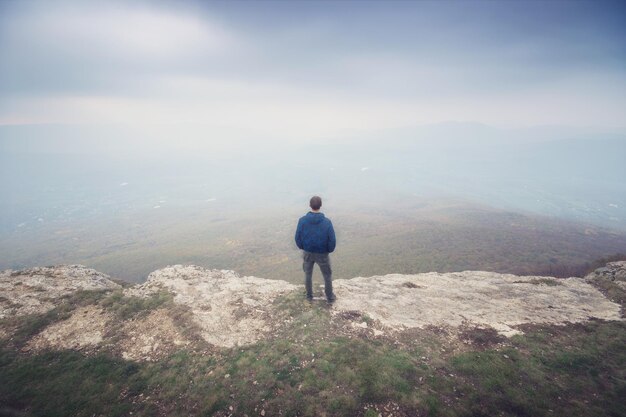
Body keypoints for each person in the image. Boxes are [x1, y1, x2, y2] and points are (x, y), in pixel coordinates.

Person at [295, 195, 337, 303]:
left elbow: (297, 237)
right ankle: (330, 297)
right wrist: (328, 250)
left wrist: (303, 247)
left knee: (308, 274)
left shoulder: (302, 221)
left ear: (310, 205)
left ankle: (309, 297)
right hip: (323, 253)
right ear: (321, 206)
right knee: (327, 275)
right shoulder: (327, 222)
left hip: (308, 252)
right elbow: (332, 240)